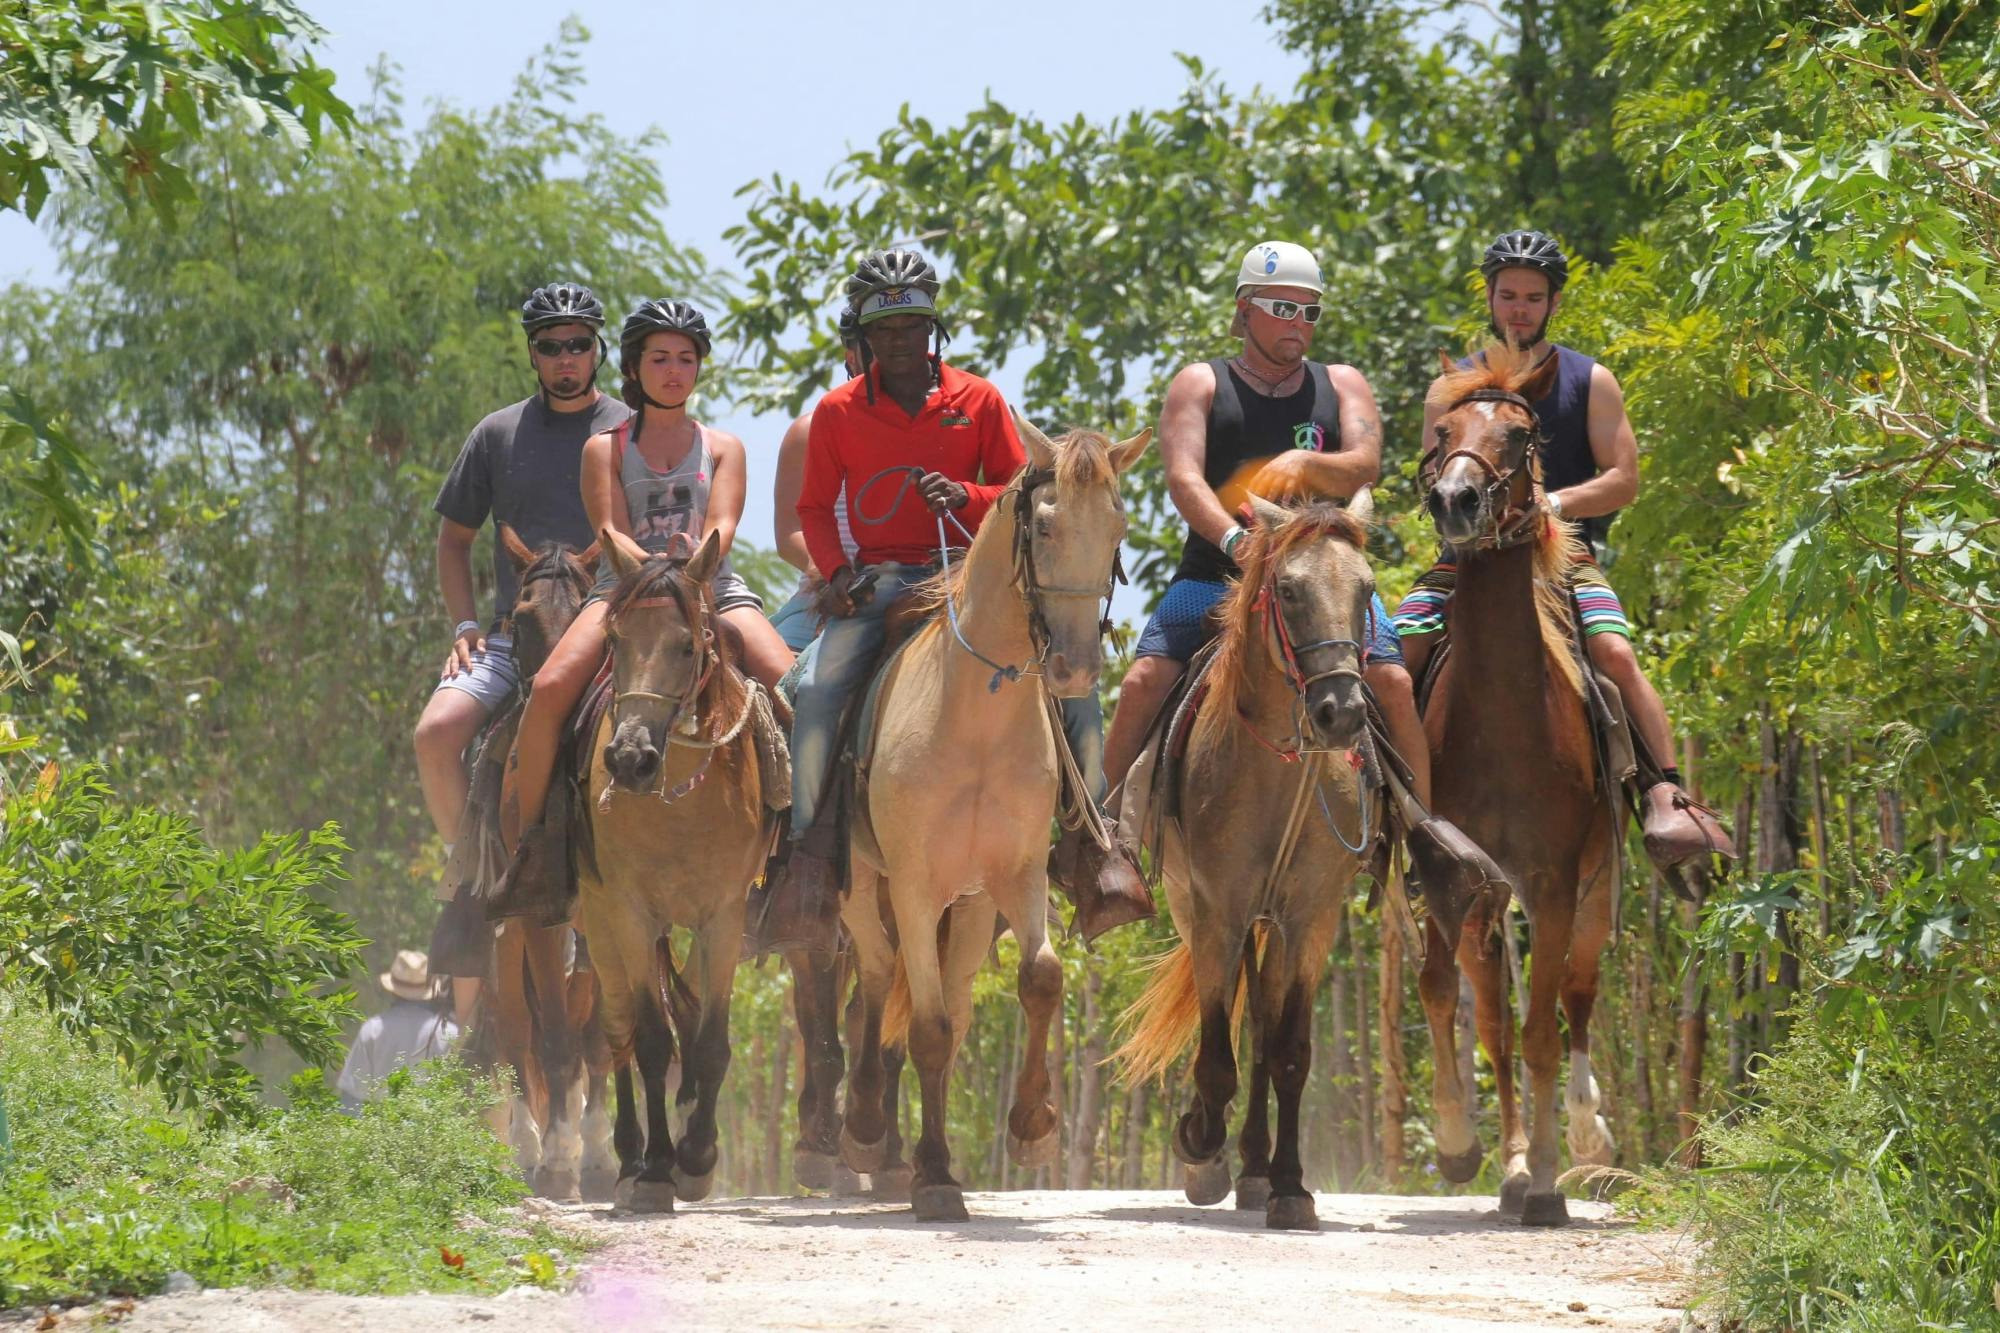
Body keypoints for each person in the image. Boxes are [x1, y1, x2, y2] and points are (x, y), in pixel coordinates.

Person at [1089, 240, 1503, 927]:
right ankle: (1104, 846)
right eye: (1283, 308)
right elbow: (1184, 477)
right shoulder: (1201, 383)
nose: (1299, 323)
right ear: (1244, 309)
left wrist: (1305, 462)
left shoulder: (1341, 383)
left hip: (1322, 578)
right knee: (1142, 681)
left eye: (1310, 311)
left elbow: (1365, 463)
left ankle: (1422, 840)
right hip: (1218, 571)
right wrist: (1236, 542)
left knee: (1392, 681)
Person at [778, 246, 1095, 950]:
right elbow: (813, 507)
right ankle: (806, 857)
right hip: (882, 579)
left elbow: (1020, 490)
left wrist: (967, 495)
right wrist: (837, 575)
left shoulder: (978, 399)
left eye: (912, 326)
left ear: (933, 329)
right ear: (864, 336)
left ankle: (1092, 844)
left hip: (969, 577)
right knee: (817, 689)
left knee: (1074, 680)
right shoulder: (835, 411)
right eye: (883, 330)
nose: (899, 342)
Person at [1396, 229, 1736, 865]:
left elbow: (1623, 479)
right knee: (1396, 654)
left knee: (1615, 653)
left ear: (1554, 302)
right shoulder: (1452, 385)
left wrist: (1552, 504)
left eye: (1533, 297)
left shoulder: (1590, 379)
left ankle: (1666, 794)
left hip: (1563, 556)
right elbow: (1436, 474)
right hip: (1464, 558)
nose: (1519, 309)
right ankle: (1375, 799)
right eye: (1508, 295)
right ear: (1489, 297)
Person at [496, 298, 795, 887]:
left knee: (796, 689)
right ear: (633, 367)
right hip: (623, 592)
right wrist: (657, 569)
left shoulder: (724, 447)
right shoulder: (603, 448)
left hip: (712, 588)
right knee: (549, 689)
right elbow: (610, 531)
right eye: (660, 358)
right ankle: (536, 851)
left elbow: (723, 523)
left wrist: (692, 566)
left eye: (686, 358)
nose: (674, 370)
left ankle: (799, 849)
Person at [417, 282, 627, 1021]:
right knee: (435, 734)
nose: (567, 358)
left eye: (579, 343)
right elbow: (454, 540)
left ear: (599, 349)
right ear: (532, 353)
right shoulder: (497, 434)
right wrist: (464, 625)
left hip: (608, 633)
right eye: (551, 345)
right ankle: (476, 880)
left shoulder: (628, 430)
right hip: (515, 636)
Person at [768, 308, 864, 652]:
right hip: (825, 592)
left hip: (916, 586)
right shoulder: (809, 431)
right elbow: (789, 533)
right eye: (876, 339)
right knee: (776, 675)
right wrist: (832, 572)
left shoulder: (941, 422)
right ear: (851, 357)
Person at [336, 949, 460, 1110]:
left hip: (381, 1123)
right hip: (432, 1123)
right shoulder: (449, 1033)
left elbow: (352, 1097)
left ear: (392, 990)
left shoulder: (373, 1029)